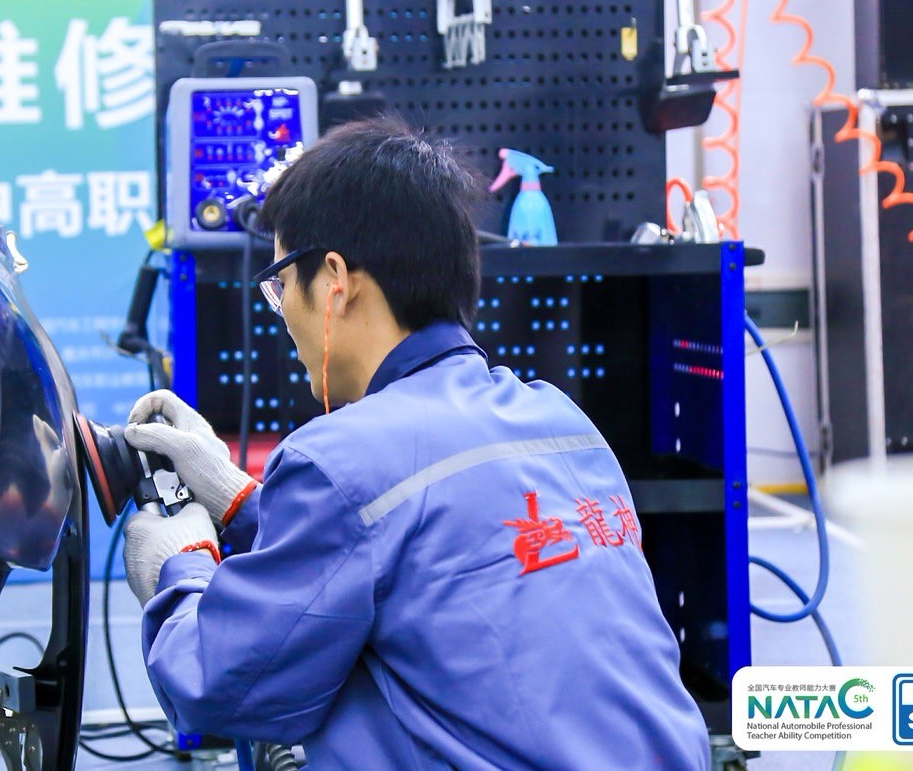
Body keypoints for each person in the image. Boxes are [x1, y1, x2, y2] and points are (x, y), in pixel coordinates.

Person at [120, 116, 711, 770]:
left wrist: (181, 565)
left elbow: (217, 684)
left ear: (336, 279)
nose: (282, 309)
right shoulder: (562, 420)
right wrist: (239, 500)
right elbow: (418, 546)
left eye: (282, 283)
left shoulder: (340, 459)